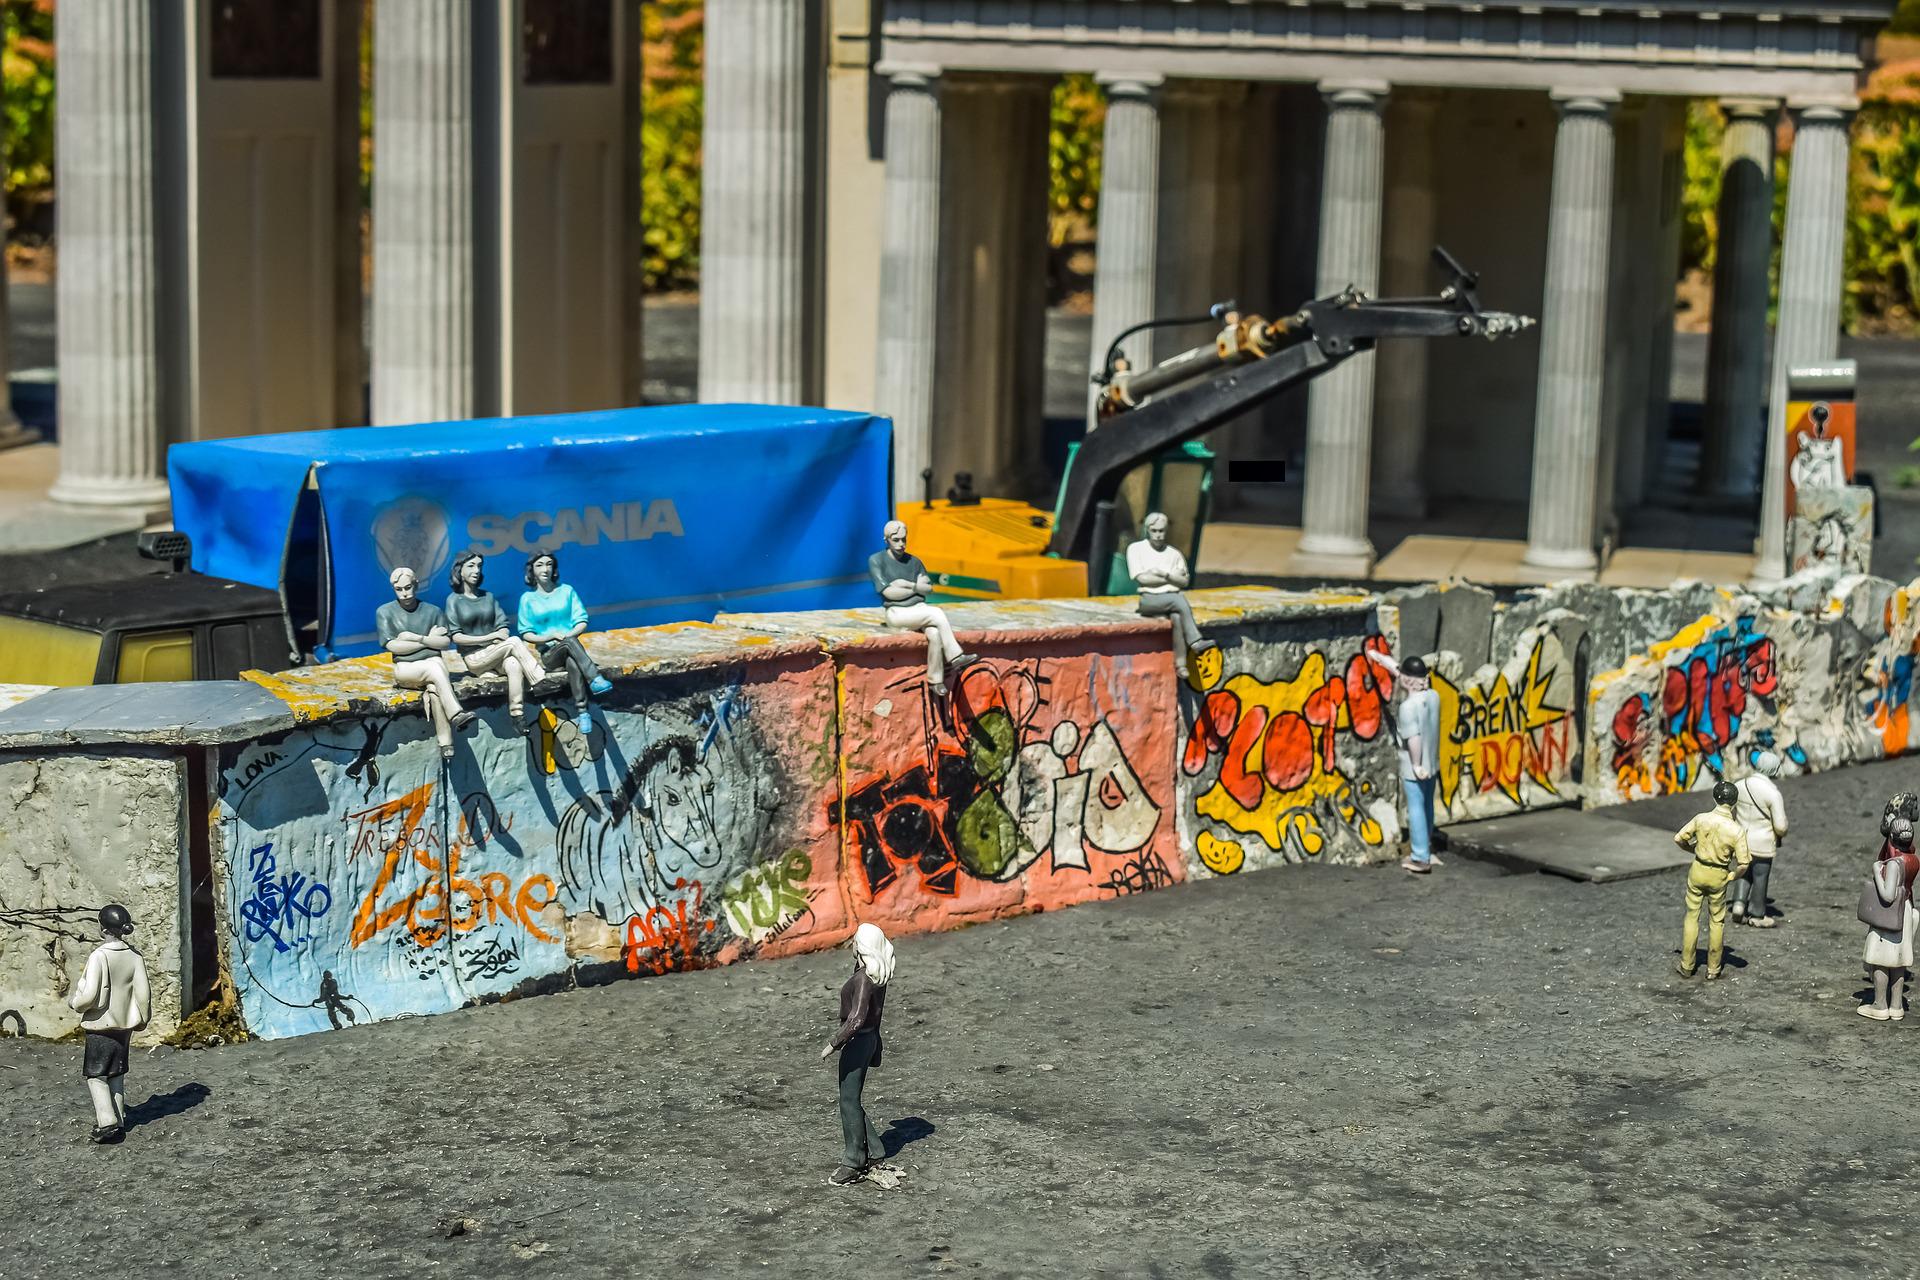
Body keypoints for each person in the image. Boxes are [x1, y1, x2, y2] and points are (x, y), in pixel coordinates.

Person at [68, 904, 150, 1145]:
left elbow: (90, 994)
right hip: (124, 1025)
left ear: (102, 928)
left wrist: (75, 1004)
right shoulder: (135, 956)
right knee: (116, 1072)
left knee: (96, 1075)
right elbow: (143, 994)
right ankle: (120, 1118)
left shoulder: (99, 956)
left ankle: (107, 1123)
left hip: (101, 1023)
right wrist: (143, 1019)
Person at [376, 566, 476, 761]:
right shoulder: (385, 612)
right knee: (436, 666)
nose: (404, 593)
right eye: (399, 589)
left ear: (416, 585)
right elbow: (393, 646)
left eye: (408, 587)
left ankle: (446, 744)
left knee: (434, 686)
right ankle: (455, 713)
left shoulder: (433, 611)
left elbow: (445, 643)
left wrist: (415, 638)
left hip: (432, 666)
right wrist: (428, 640)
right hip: (405, 669)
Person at [821, 923, 894, 1186]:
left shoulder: (864, 979)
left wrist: (833, 1043)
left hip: (857, 1041)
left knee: (848, 1101)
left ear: (862, 946)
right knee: (852, 1099)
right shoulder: (877, 975)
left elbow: (856, 1019)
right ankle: (875, 1151)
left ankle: (853, 1161)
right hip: (869, 1039)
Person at [869, 521, 977, 696]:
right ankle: (956, 656)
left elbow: (928, 588)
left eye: (904, 539)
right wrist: (915, 587)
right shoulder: (877, 560)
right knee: (936, 613)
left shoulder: (914, 562)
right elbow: (889, 593)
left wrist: (906, 585)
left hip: (918, 609)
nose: (901, 544)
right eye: (896, 540)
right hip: (897, 612)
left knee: (934, 634)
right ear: (886, 540)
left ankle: (935, 680)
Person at [444, 549, 545, 733]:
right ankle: (538, 679)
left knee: (514, 664)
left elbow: (503, 625)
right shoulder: (454, 600)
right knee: (515, 642)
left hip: (496, 652)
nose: (476, 570)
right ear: (459, 570)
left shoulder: (488, 597)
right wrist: (490, 637)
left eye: (479, 566)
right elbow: (456, 637)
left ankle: (517, 715)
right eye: (471, 566)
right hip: (475, 657)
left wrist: (500, 636)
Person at [517, 551, 614, 736]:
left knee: (572, 661)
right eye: (539, 565)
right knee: (570, 645)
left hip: (571, 647)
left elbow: (582, 620)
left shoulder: (566, 591)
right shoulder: (527, 599)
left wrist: (568, 635)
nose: (545, 569)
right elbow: (525, 633)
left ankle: (583, 712)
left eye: (548, 564)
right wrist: (550, 636)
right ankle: (594, 678)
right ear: (532, 570)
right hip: (549, 654)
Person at [1673, 781, 1752, 980]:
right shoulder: (1736, 830)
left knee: (1692, 916)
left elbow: (1679, 838)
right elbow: (1743, 863)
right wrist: (1732, 876)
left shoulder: (1701, 819)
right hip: (1719, 874)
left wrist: (1693, 849)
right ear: (1734, 802)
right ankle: (1713, 968)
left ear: (1715, 798)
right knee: (1717, 921)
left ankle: (1687, 964)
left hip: (1698, 869)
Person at [1126, 512, 1218, 680]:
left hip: (1170, 600)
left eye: (1161, 531)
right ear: (1147, 530)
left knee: (1177, 617)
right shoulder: (1136, 549)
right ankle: (1195, 641)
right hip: (1149, 599)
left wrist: (1164, 574)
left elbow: (1184, 582)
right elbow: (1142, 578)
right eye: (1154, 531)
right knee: (1179, 600)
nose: (1158, 535)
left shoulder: (1174, 554)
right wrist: (1171, 578)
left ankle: (1181, 665)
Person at [1860, 818, 1920, 1021]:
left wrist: (1877, 872)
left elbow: (1888, 895)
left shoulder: (1895, 864)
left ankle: (1879, 1005)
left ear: (1892, 838)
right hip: (1905, 910)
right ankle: (1896, 1006)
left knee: (1881, 960)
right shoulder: (1913, 859)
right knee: (1898, 961)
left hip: (1890, 914)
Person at [1728, 751, 1789, 926]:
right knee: (1760, 876)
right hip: (1762, 843)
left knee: (1743, 871)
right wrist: (1783, 832)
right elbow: (1780, 826)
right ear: (1774, 769)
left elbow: (1730, 811)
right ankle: (1756, 914)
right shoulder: (1772, 794)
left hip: (1741, 839)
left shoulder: (1740, 785)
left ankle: (1738, 904)